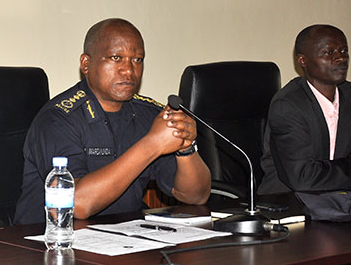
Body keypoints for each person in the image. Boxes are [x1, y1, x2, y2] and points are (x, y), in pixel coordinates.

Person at [14, 18, 211, 224]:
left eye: (137, 60)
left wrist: (186, 148)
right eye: (116, 58)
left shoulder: (148, 114)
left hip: (124, 239)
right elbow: (77, 203)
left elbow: (195, 196)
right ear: (86, 64)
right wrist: (151, 145)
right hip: (48, 242)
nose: (128, 70)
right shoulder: (58, 119)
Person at [259, 24, 351, 194]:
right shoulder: (288, 105)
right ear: (302, 61)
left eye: (344, 51)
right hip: (289, 205)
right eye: (329, 52)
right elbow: (304, 179)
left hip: (344, 201)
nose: (341, 58)